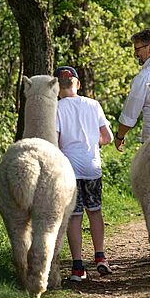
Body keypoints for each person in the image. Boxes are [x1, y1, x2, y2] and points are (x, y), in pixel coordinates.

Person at [54, 66, 114, 282]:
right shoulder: (93, 104)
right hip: (92, 167)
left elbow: (55, 139)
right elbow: (107, 138)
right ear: (77, 84)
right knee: (95, 211)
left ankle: (78, 267)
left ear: (57, 87)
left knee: (74, 216)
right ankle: (100, 258)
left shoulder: (57, 108)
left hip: (69, 170)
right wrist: (91, 143)